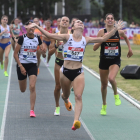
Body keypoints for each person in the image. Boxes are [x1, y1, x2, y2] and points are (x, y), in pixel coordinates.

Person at [26, 18, 124, 130]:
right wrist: (37, 26)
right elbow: (50, 35)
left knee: (78, 96)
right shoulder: (67, 37)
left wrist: (115, 29)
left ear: (83, 28)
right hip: (65, 72)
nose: (81, 23)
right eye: (78, 22)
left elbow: (103, 38)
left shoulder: (85, 39)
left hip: (78, 72)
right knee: (65, 95)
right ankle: (65, 99)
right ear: (72, 27)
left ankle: (75, 121)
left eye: (82, 22)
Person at [93, 13, 133, 116]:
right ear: (105, 21)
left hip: (115, 60)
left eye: (112, 18)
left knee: (111, 78)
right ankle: (104, 105)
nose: (110, 20)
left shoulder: (119, 32)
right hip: (104, 60)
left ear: (114, 21)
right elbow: (94, 48)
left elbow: (126, 38)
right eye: (108, 18)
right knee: (104, 84)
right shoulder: (101, 32)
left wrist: (130, 49)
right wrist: (103, 40)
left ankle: (116, 94)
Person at [14, 21, 46, 117]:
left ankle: (32, 110)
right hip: (22, 64)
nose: (31, 29)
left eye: (33, 27)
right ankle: (23, 78)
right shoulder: (22, 38)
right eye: (29, 27)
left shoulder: (37, 38)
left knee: (32, 86)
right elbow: (15, 54)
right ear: (26, 28)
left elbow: (43, 52)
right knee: (23, 90)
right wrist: (21, 66)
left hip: (32, 65)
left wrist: (44, 52)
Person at [49, 16, 70, 116]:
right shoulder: (55, 36)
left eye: (67, 21)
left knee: (67, 87)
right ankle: (57, 106)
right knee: (58, 86)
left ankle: (65, 99)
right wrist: (57, 45)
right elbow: (50, 51)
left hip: (69, 63)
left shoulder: (72, 35)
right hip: (59, 61)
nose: (65, 22)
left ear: (69, 24)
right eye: (63, 20)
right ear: (60, 23)